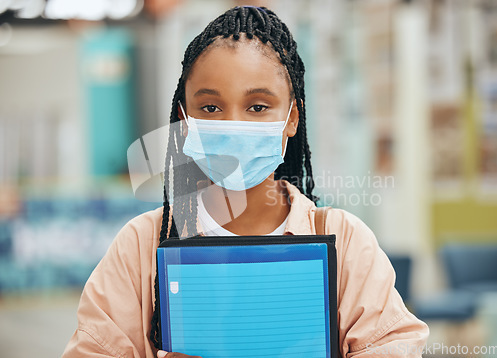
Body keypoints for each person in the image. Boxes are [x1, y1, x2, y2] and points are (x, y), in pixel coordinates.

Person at [62, 6, 429, 358]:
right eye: (210, 108)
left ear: (291, 117)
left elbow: (391, 346)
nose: (232, 124)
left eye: (257, 106)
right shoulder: (141, 247)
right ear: (184, 120)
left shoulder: (345, 241)